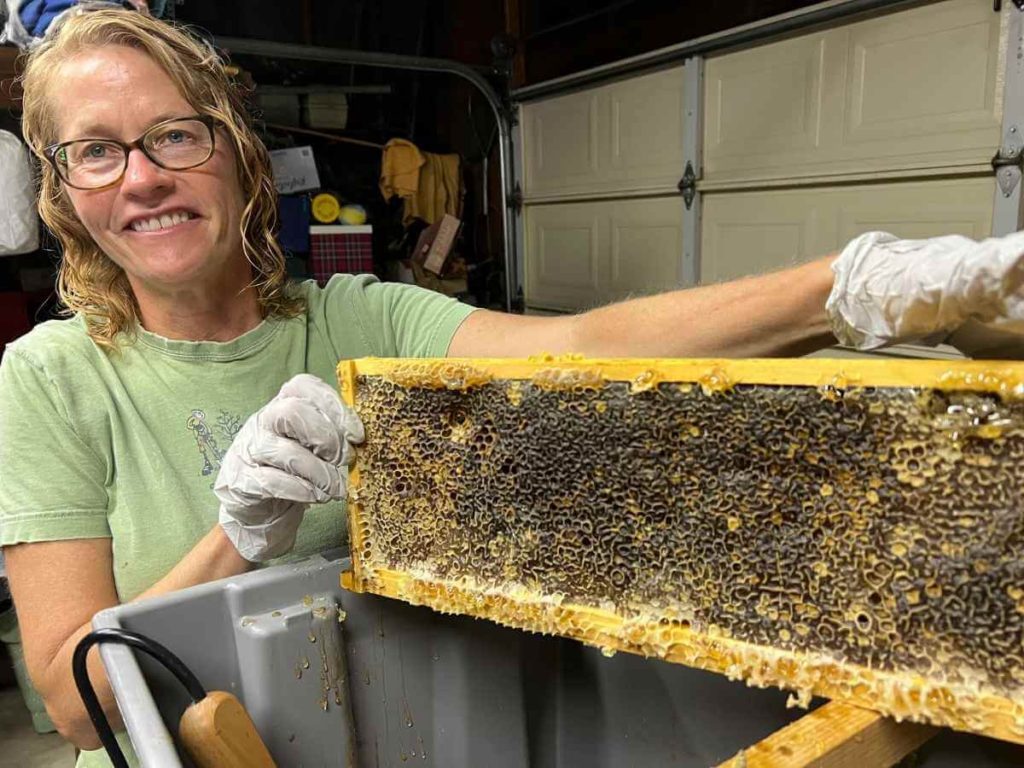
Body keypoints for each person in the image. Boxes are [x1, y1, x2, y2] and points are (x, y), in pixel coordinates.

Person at [2, 7, 1024, 767]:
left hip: (404, 733)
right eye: (96, 152)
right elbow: (69, 701)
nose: (142, 176)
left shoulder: (364, 317)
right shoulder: (47, 379)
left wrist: (840, 288)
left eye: (175, 135)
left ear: (231, 149)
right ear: (61, 189)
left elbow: (583, 344)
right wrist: (240, 533)